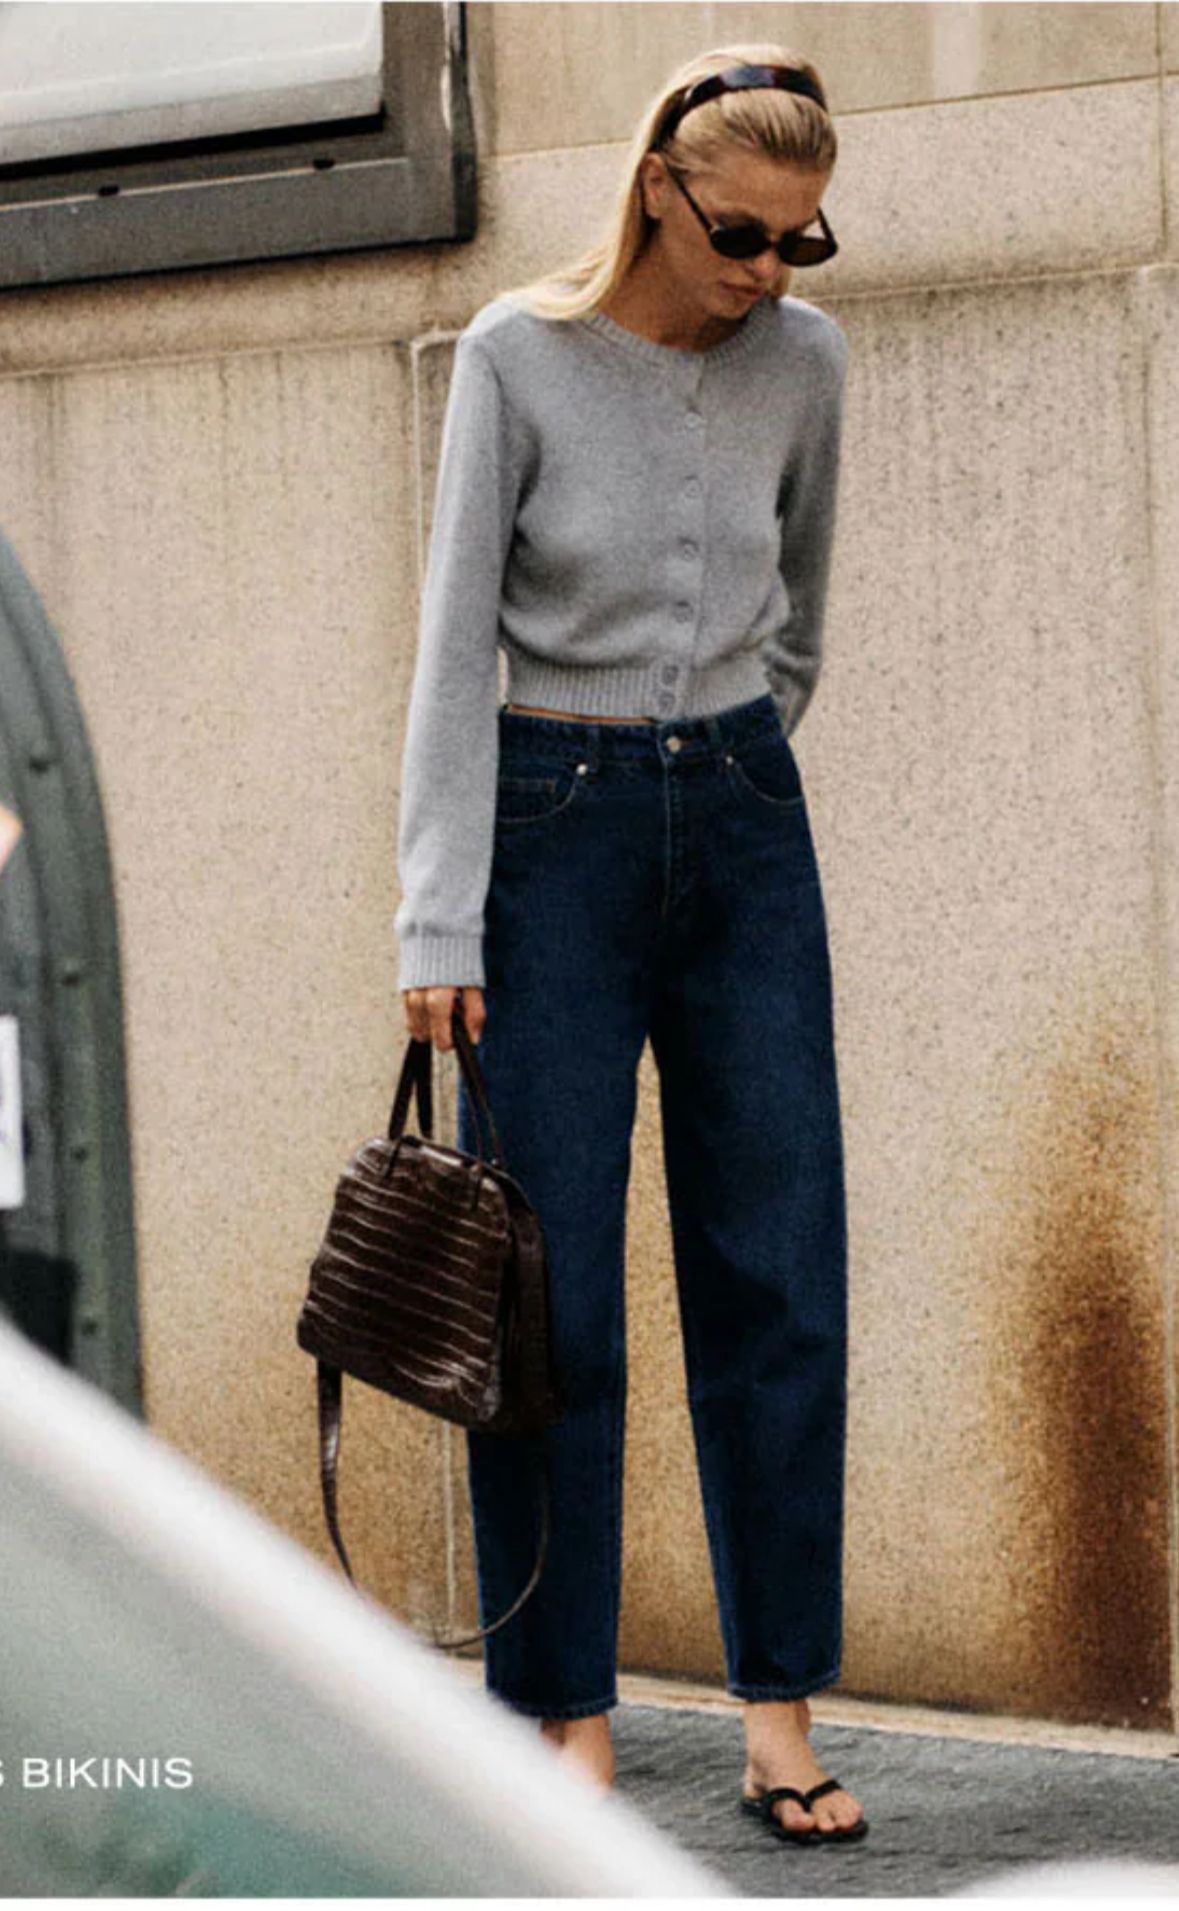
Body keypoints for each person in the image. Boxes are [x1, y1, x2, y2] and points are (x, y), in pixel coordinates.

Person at [395, 45, 867, 1847]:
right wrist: (437, 909)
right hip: (549, 833)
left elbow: (802, 611)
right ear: (658, 190)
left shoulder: (806, 366)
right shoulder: (516, 358)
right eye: (740, 232)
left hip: (741, 818)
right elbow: (451, 653)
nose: (765, 271)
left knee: (779, 1269)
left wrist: (729, 759)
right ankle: (561, 1719)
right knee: (551, 1298)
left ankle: (778, 1714)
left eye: (800, 241)